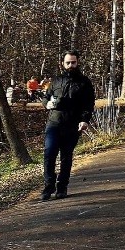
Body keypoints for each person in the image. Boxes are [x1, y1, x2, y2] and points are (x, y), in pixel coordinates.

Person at [38, 51, 96, 201]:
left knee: (66, 156)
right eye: (68, 63)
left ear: (78, 63)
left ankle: (62, 187)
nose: (71, 65)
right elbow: (45, 97)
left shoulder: (84, 82)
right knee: (49, 153)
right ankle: (48, 186)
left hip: (72, 125)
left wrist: (85, 120)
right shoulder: (56, 81)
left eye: (73, 62)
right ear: (63, 64)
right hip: (54, 123)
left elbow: (88, 104)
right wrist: (47, 104)